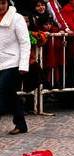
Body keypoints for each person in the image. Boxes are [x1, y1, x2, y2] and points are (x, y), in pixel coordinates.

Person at [0, 0, 31, 134]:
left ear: (7, 3)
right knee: (10, 94)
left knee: (1, 89)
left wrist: (24, 64)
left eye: (2, 3)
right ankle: (21, 124)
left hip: (13, 62)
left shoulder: (17, 18)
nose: (0, 6)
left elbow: (25, 42)